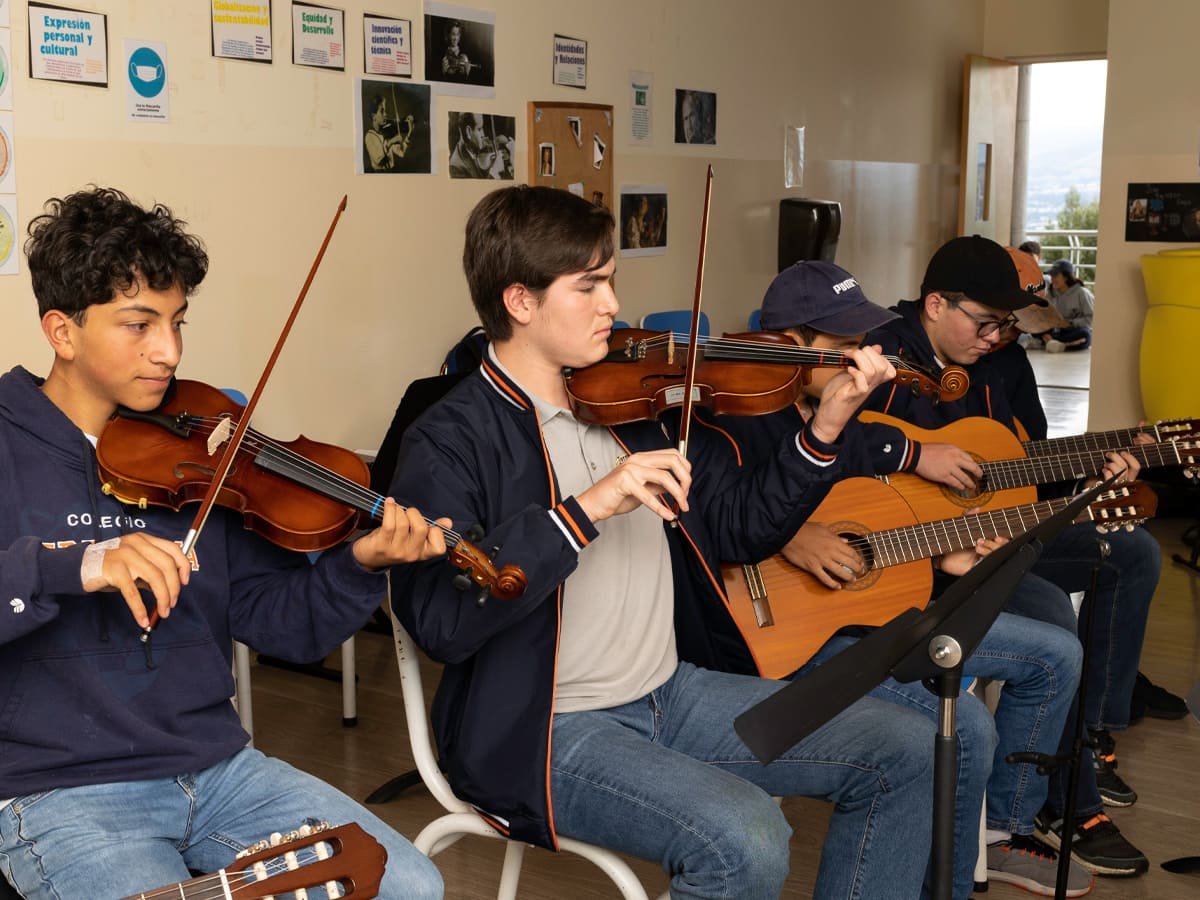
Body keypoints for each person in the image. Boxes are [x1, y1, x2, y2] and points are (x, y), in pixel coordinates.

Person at [389, 185, 939, 899]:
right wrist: (585, 508)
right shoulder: (449, 439)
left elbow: (742, 528)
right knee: (746, 836)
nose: (613, 305)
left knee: (907, 749)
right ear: (520, 301)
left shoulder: (633, 404)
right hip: (544, 729)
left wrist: (824, 431)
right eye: (588, 286)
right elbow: (443, 623)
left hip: (668, 690)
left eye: (610, 280)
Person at [0, 187, 444, 899]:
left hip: (219, 771)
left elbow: (282, 624)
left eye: (177, 322)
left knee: (408, 884)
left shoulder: (202, 450)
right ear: (62, 331)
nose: (169, 351)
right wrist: (78, 564)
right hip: (63, 792)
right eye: (138, 325)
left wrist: (360, 565)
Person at [710, 260, 1090, 898]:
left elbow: (883, 473)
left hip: (861, 611)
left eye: (866, 341)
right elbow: (711, 521)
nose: (867, 360)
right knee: (964, 727)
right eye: (844, 347)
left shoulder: (847, 413)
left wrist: (950, 554)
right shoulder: (730, 419)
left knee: (1048, 655)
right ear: (785, 345)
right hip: (775, 636)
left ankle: (991, 842)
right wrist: (790, 534)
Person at [862, 235, 1153, 878]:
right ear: (936, 304)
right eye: (986, 322)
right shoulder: (879, 357)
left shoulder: (1002, 357)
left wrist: (1091, 480)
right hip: (913, 557)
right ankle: (1034, 813)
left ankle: (1086, 741)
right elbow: (842, 468)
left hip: (999, 528)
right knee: (1049, 611)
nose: (997, 337)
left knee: (1129, 550)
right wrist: (921, 472)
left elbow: (1030, 465)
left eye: (1006, 324)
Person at [1041, 259, 1094, 352]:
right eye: (1051, 275)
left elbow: (1091, 319)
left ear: (1066, 277)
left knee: (1085, 335)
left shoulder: (1082, 293)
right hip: (1055, 330)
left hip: (1073, 330)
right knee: (1033, 329)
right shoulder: (1050, 293)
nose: (1052, 279)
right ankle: (1053, 341)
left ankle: (1054, 343)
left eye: (1055, 275)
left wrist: (1070, 323)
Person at [449, 112, 505, 180]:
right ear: (468, 132)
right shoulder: (456, 167)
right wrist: (494, 172)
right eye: (479, 129)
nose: (483, 135)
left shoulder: (472, 146)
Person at [363, 94, 412, 172]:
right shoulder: (370, 136)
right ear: (373, 116)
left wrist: (409, 133)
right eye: (382, 111)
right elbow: (379, 160)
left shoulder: (386, 134)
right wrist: (391, 141)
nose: (385, 114)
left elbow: (401, 153)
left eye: (385, 111)